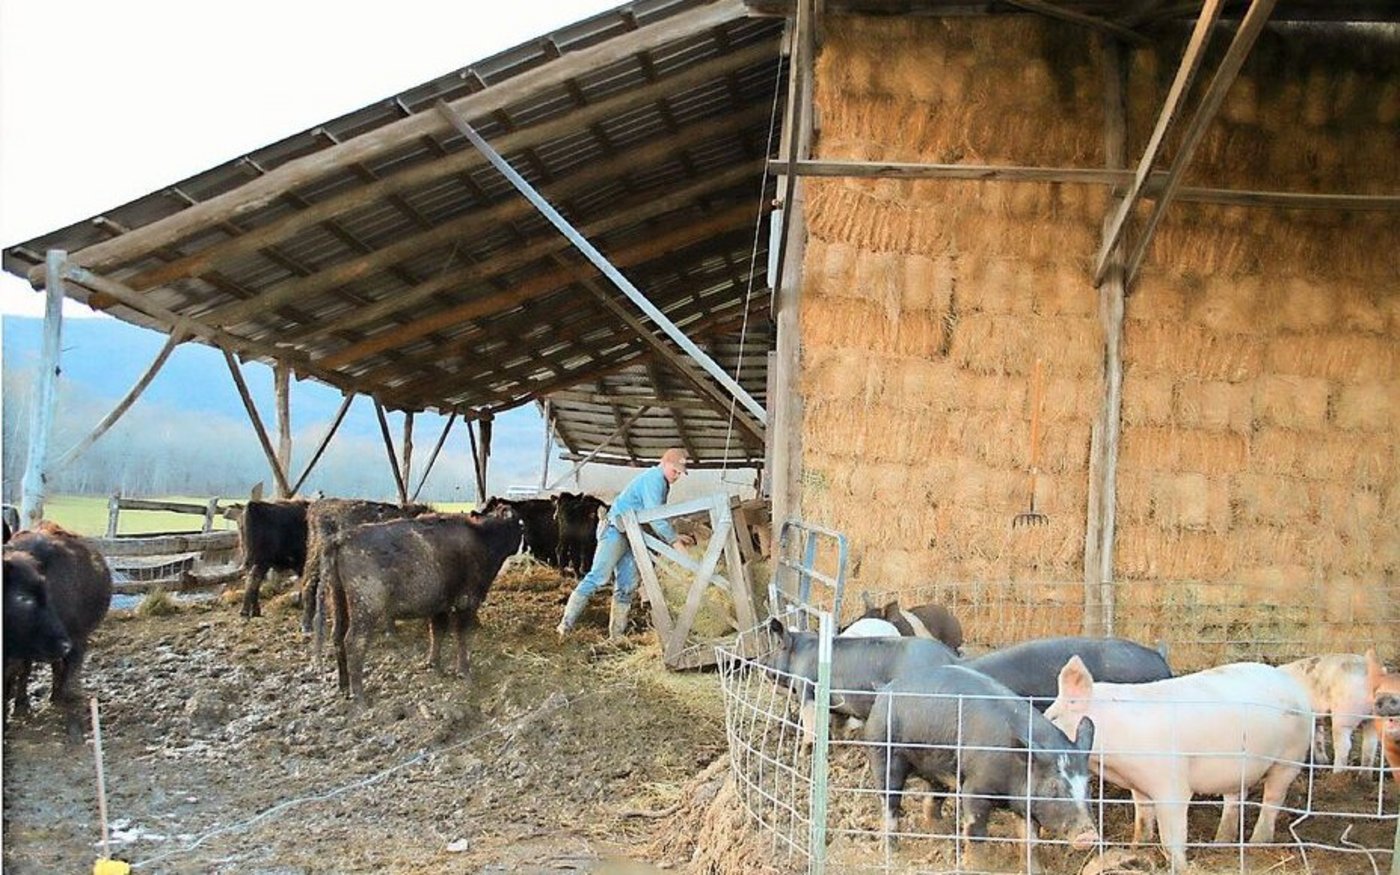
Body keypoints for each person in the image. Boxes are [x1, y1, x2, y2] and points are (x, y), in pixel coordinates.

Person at [556, 448, 696, 638]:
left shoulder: (662, 483)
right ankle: (565, 625)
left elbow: (656, 515)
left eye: (680, 473)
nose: (677, 476)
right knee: (598, 576)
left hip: (633, 535)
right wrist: (674, 543)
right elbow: (655, 518)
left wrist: (674, 535)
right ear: (664, 463)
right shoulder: (654, 478)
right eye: (675, 471)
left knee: (627, 584)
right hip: (616, 530)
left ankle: (616, 635)